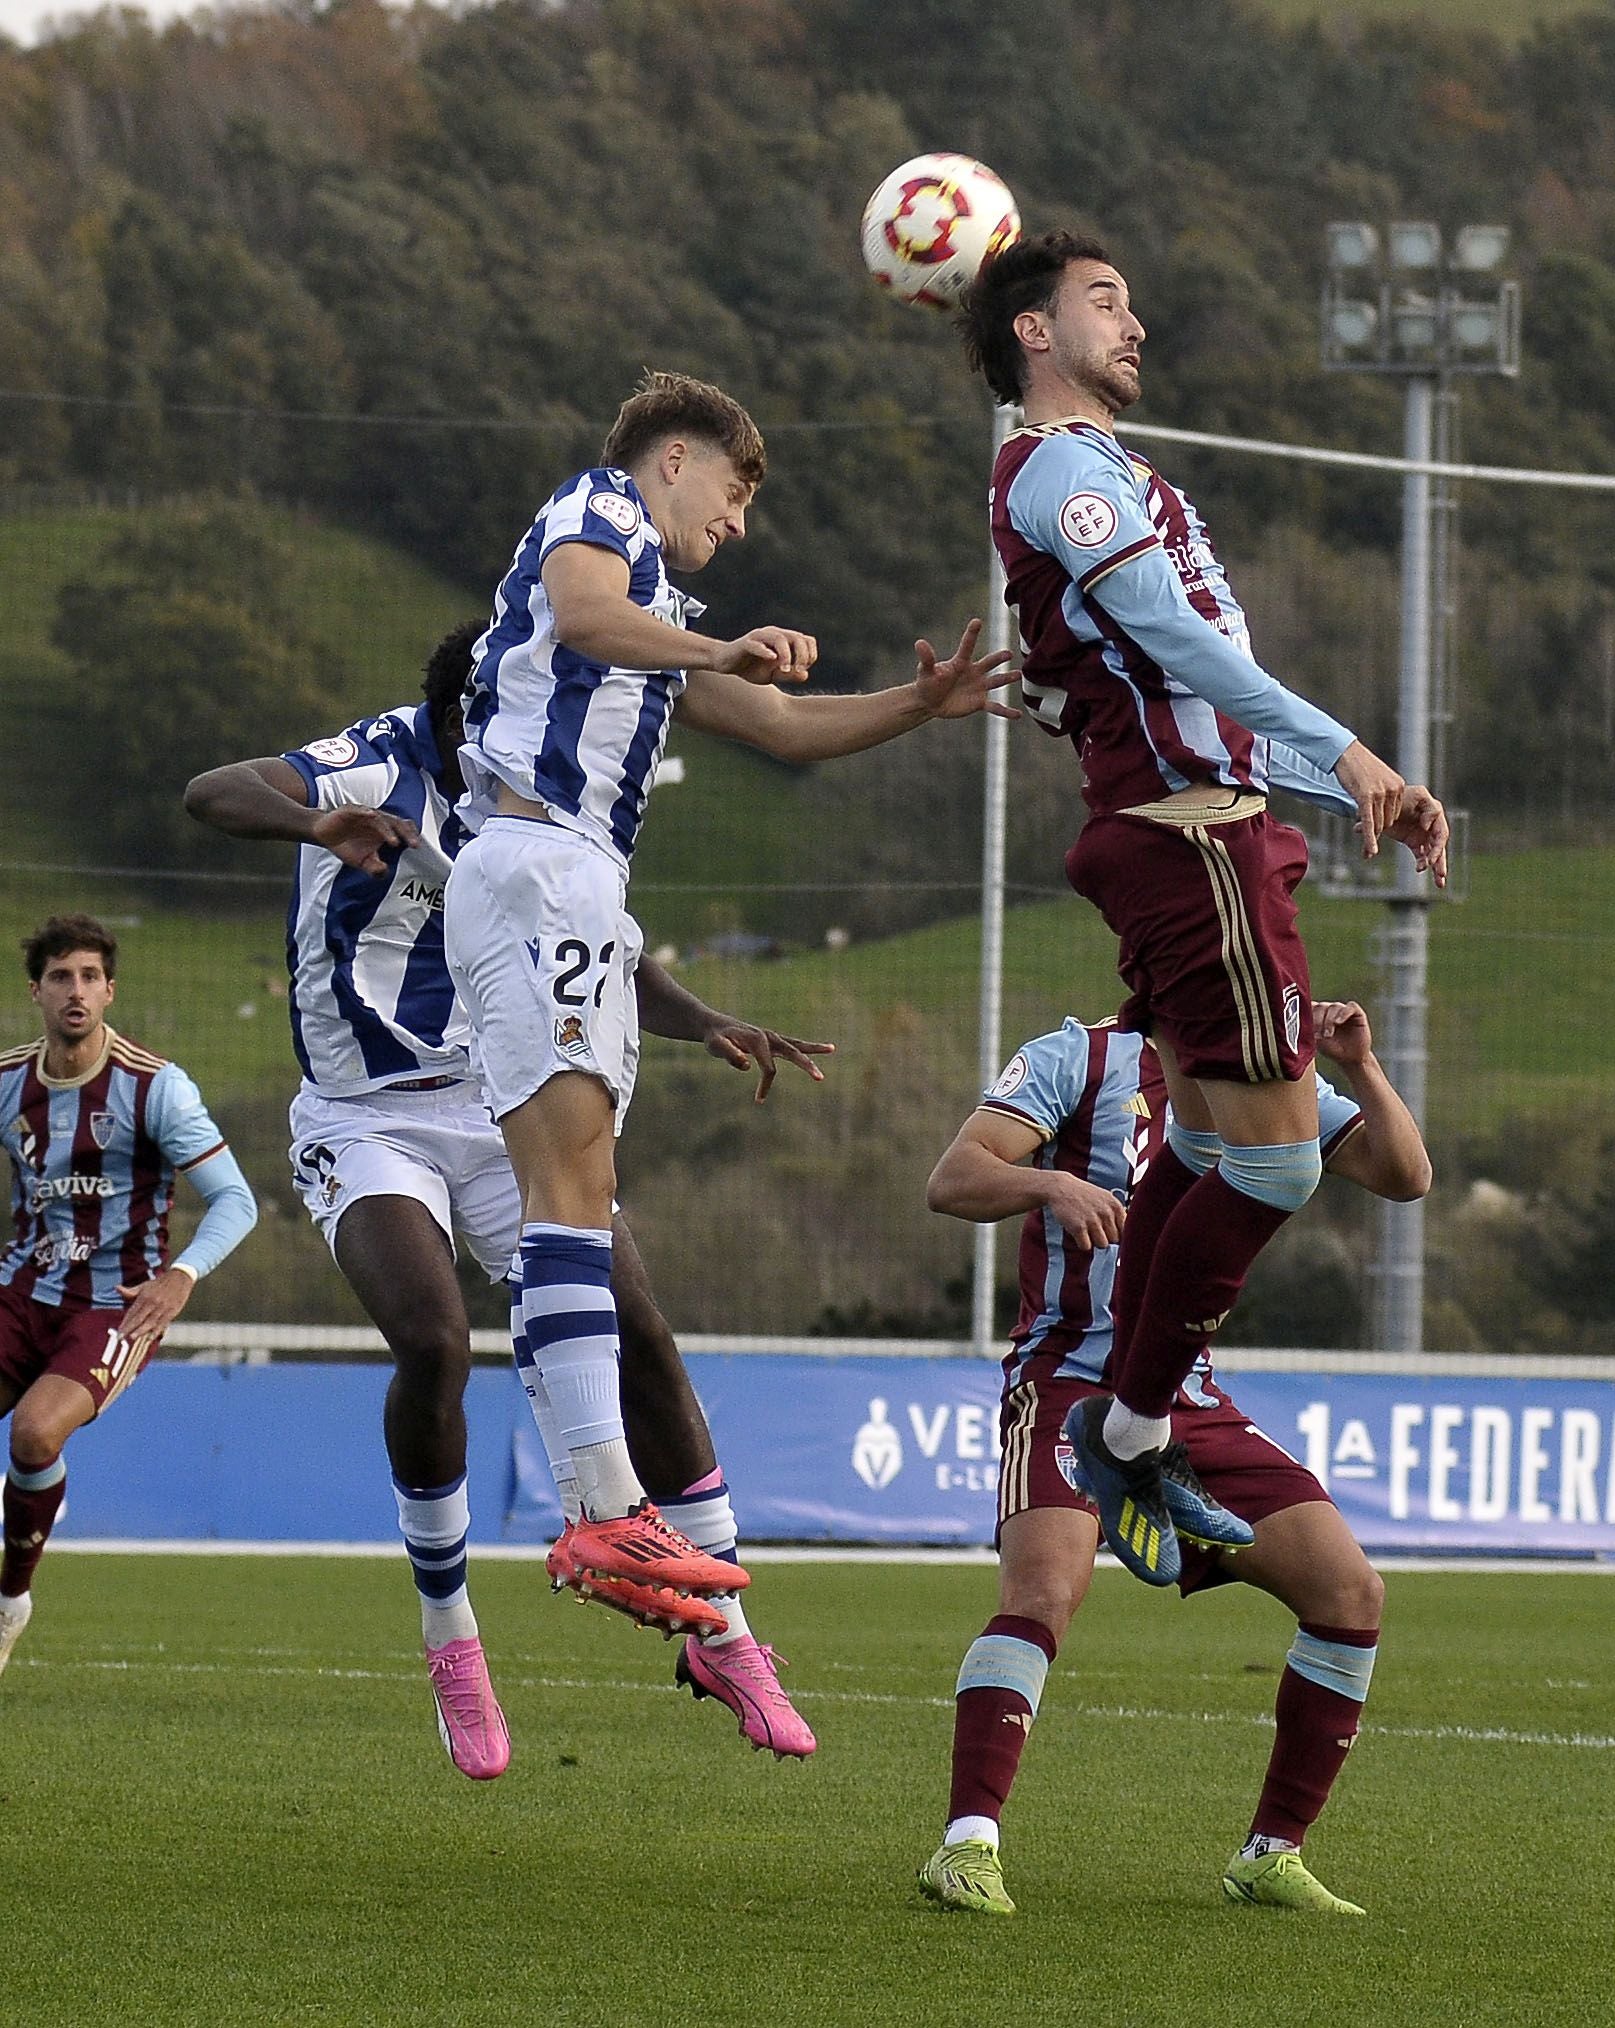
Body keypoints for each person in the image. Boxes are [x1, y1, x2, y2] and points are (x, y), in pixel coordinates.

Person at [185, 623, 834, 1771]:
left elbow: (606, 952)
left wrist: (711, 1022)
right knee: (434, 1342)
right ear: (462, 714)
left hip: (495, 1107)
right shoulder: (379, 760)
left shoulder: (534, 803)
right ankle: (453, 1640)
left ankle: (727, 1635)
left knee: (642, 1332)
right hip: (365, 1116)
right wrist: (309, 820)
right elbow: (214, 789)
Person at [445, 368, 1016, 1612]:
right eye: (735, 486)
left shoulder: (652, 605)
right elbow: (589, 614)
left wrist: (918, 705)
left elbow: (783, 725)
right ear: (672, 460)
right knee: (567, 1188)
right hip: (542, 862)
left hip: (560, 872)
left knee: (580, 1193)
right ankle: (603, 1510)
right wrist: (718, 637)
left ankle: (609, 1510)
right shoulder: (596, 514)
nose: (739, 518)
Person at [957, 232, 1450, 1584]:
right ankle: (1129, 1425)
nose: (1134, 322)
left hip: (1210, 829)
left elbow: (1204, 685)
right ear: (1030, 335)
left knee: (1216, 1143)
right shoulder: (1062, 469)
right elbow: (1177, 645)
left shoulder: (1116, 476)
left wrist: (1351, 779)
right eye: (1102, 301)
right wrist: (1344, 748)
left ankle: (1130, 1409)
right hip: (1191, 848)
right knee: (1282, 1161)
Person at [917, 998, 1430, 1918]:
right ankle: (965, 1846)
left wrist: (1356, 1065)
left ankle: (1269, 1855)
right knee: (1041, 1596)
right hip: (1070, 1380)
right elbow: (952, 1180)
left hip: (1185, 1398)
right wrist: (1050, 1186)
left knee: (1349, 1593)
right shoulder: (1079, 1057)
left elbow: (1405, 1175)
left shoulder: (1268, 1082)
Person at [0, 915, 258, 1674]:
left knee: (35, 1435)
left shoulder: (155, 1089)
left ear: (109, 991)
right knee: (31, 1450)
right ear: (37, 992)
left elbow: (235, 1201)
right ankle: (37, 1498)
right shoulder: (10, 1081)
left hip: (118, 1303)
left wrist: (182, 1277)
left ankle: (10, 1598)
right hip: (21, 1292)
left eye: (88, 977)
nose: (75, 991)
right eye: (59, 977)